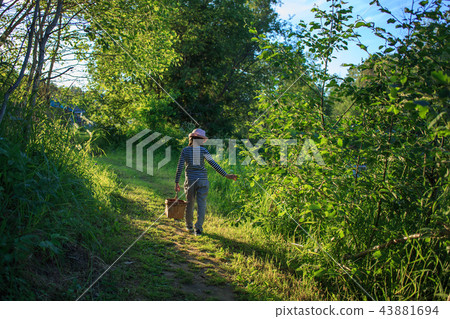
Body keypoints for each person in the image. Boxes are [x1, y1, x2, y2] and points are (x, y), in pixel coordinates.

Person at [175, 128, 237, 236]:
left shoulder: (185, 150)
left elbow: (180, 167)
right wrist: (226, 175)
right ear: (201, 140)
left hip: (190, 181)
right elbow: (213, 164)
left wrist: (176, 182)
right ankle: (198, 229)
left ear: (191, 138)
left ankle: (189, 226)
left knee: (189, 203)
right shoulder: (204, 151)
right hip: (203, 181)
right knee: (202, 204)